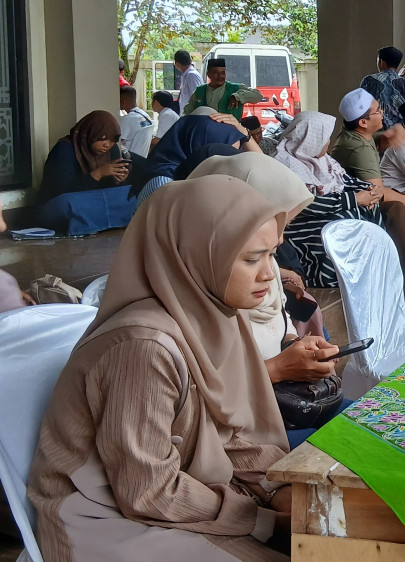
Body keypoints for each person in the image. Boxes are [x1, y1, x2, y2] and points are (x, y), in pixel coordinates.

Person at [28, 177, 296, 561]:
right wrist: (262, 519)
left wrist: (278, 487)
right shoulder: (143, 347)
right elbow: (146, 489)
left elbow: (225, 433)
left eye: (272, 254)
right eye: (251, 258)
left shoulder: (212, 316)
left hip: (174, 495)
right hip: (104, 519)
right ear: (194, 254)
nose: (269, 274)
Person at [187, 153, 345, 445]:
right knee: (348, 446)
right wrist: (276, 369)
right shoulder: (189, 308)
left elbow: (280, 321)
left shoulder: (264, 270)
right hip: (239, 430)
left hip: (286, 403)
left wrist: (296, 347)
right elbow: (192, 404)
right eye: (251, 257)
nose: (269, 272)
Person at [330, 89, 405, 296]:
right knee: (397, 208)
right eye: (378, 111)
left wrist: (384, 139)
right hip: (355, 206)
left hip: (367, 196)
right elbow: (378, 193)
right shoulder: (358, 147)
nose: (383, 113)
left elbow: (372, 142)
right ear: (363, 122)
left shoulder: (360, 134)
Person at [275, 111, 386, 288]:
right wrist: (355, 199)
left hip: (328, 210)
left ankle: (368, 271)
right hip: (302, 222)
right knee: (343, 220)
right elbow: (305, 204)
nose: (328, 142)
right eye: (324, 138)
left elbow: (346, 182)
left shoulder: (324, 160)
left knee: (368, 208)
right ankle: (331, 276)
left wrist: (371, 191)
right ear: (310, 139)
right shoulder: (284, 165)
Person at [36, 111, 140, 234]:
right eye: (102, 138)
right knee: (69, 203)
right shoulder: (65, 149)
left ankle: (94, 222)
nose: (107, 144)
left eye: (112, 140)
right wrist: (97, 174)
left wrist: (118, 180)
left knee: (133, 193)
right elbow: (61, 191)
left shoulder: (112, 150)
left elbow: (108, 192)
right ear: (89, 134)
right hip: (59, 204)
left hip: (94, 202)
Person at [134, 113, 259, 203]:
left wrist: (245, 134)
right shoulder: (164, 184)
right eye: (225, 157)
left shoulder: (194, 177)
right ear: (203, 151)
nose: (230, 165)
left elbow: (263, 170)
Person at [360, 46, 405, 129]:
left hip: (374, 132)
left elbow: (361, 107)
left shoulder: (369, 80)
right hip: (400, 134)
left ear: (381, 62)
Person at [183, 58, 264, 119]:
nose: (220, 76)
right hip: (205, 135)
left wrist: (238, 96)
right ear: (209, 74)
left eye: (223, 73)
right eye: (216, 73)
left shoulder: (235, 88)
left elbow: (258, 96)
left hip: (230, 136)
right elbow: (186, 113)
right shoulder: (200, 90)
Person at [118, 86, 154, 157]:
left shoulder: (128, 119)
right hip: (143, 160)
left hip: (131, 162)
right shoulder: (146, 115)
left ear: (123, 101)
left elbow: (117, 143)